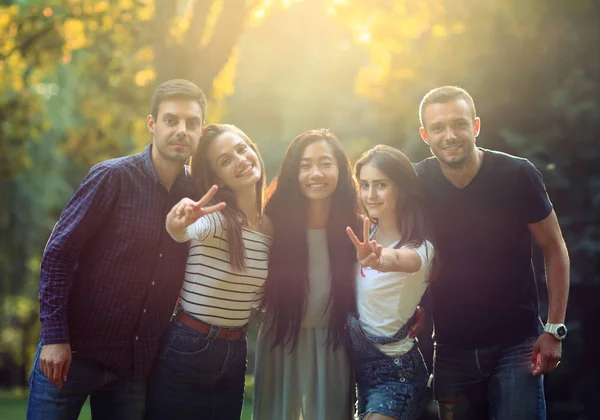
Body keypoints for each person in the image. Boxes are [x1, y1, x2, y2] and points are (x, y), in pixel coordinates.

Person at [27, 79, 207, 420]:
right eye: (171, 120)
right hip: (72, 354)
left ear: (201, 131)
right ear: (152, 124)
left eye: (191, 123)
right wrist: (53, 337)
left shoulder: (199, 195)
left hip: (134, 367)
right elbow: (58, 255)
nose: (181, 130)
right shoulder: (112, 177)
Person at [415, 86, 570, 420]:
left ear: (476, 126)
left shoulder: (517, 175)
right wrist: (407, 307)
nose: (450, 135)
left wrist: (554, 327)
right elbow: (403, 251)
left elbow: (554, 247)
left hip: (516, 344)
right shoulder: (416, 182)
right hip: (451, 347)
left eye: (459, 124)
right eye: (439, 128)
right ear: (425, 135)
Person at [145, 124, 272, 420]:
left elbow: (257, 298)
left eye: (242, 149)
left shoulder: (270, 228)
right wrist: (178, 221)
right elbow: (183, 231)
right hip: (189, 346)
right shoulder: (215, 218)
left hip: (235, 350)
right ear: (216, 177)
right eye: (226, 160)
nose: (241, 159)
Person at [253, 129, 357, 420]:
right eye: (305, 165)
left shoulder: (357, 226)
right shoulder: (271, 224)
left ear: (340, 169)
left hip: (333, 342)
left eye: (325, 163)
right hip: (281, 338)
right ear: (293, 173)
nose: (316, 173)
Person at [345, 145, 435, 420]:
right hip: (355, 369)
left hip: (397, 375)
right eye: (365, 185)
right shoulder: (363, 231)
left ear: (402, 188)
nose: (370, 195)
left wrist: (378, 259)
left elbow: (400, 260)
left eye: (381, 185)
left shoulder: (422, 248)